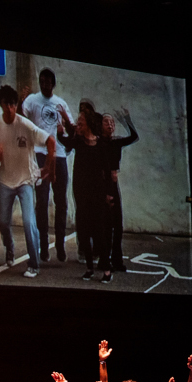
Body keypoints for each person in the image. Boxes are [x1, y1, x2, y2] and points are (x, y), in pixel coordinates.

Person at [0, 85, 56, 278]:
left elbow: (50, 141)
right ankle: (9, 247)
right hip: (6, 180)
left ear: (16, 105)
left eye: (13, 104)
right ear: (1, 104)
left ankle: (34, 264)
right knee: (2, 222)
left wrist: (48, 167)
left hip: (25, 180)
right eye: (6, 104)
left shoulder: (25, 125)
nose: (10, 108)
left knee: (28, 222)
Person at [20, 69, 73, 262]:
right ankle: (43, 244)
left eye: (48, 82)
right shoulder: (32, 101)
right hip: (40, 154)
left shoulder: (61, 103)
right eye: (41, 81)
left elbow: (71, 131)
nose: (44, 85)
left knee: (61, 201)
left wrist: (65, 123)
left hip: (59, 155)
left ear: (53, 83)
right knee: (41, 201)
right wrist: (20, 100)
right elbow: (20, 120)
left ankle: (60, 243)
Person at [57, 109, 110, 280]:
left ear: (88, 123)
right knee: (84, 231)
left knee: (99, 232)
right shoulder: (78, 142)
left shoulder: (101, 145)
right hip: (81, 193)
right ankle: (89, 268)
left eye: (81, 122)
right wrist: (60, 130)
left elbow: (107, 171)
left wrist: (109, 194)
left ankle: (107, 270)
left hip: (97, 193)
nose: (78, 124)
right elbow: (65, 140)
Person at [98, 109, 139, 274]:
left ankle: (116, 259)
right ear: (100, 126)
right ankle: (104, 259)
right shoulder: (98, 143)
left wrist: (127, 120)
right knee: (106, 226)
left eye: (112, 122)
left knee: (117, 225)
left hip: (113, 185)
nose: (110, 125)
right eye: (106, 122)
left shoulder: (115, 142)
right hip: (103, 184)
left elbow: (134, 137)